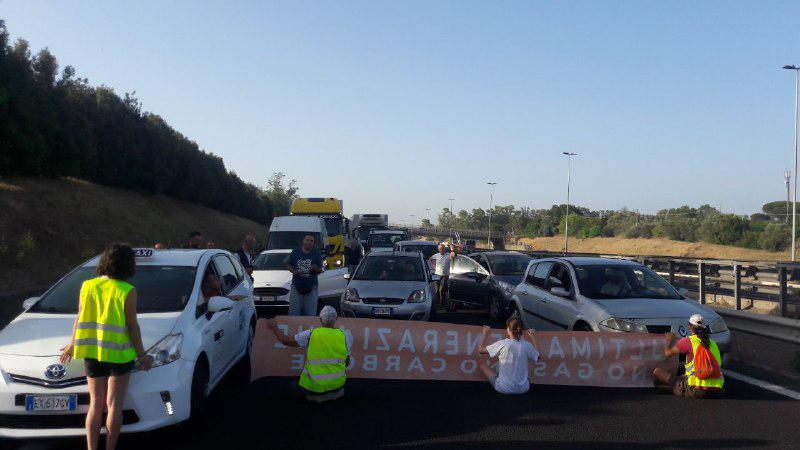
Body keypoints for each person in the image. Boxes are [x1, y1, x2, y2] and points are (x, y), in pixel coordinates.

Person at [60, 243, 153, 450]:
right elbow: (132, 326)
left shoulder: (87, 285)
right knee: (113, 406)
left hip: (92, 353)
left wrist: (73, 343)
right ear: (128, 265)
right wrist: (142, 355)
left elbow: (79, 317)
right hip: (119, 355)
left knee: (95, 405)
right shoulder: (127, 290)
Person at [266, 306, 352, 402]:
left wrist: (273, 326)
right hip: (337, 384)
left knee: (291, 388)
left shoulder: (311, 334)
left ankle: (314, 397)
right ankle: (331, 394)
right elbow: (347, 362)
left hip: (314, 386)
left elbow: (285, 341)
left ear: (319, 319)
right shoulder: (344, 335)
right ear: (336, 319)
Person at [653, 314, 725, 398]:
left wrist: (669, 340)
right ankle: (675, 387)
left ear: (690, 327)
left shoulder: (688, 341)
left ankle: (675, 388)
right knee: (681, 376)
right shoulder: (713, 344)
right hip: (717, 390)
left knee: (658, 372)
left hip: (697, 389)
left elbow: (667, 354)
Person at [478, 318, 540, 394]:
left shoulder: (503, 343)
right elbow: (537, 356)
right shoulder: (527, 345)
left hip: (502, 388)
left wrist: (485, 333)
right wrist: (533, 338)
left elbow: (480, 350)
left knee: (481, 364)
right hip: (524, 389)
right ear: (522, 331)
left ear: (508, 329)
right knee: (532, 361)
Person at [287, 234, 324, 316]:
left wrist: (315, 268)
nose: (309, 242)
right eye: (307, 240)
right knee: (294, 313)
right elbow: (289, 265)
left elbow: (321, 270)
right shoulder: (295, 252)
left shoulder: (316, 254)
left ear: (313, 243)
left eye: (311, 241)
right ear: (303, 241)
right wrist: (293, 271)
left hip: (311, 286)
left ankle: (309, 328)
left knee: (310, 314)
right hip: (296, 286)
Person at [428, 244, 451, 309]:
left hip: (445, 275)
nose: (441, 250)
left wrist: (452, 247)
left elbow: (454, 255)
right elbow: (430, 258)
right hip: (437, 274)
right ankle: (437, 303)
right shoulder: (437, 255)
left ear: (444, 249)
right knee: (437, 290)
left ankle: (442, 304)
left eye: (442, 249)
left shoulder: (448, 255)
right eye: (439, 249)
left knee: (441, 290)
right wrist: (434, 265)